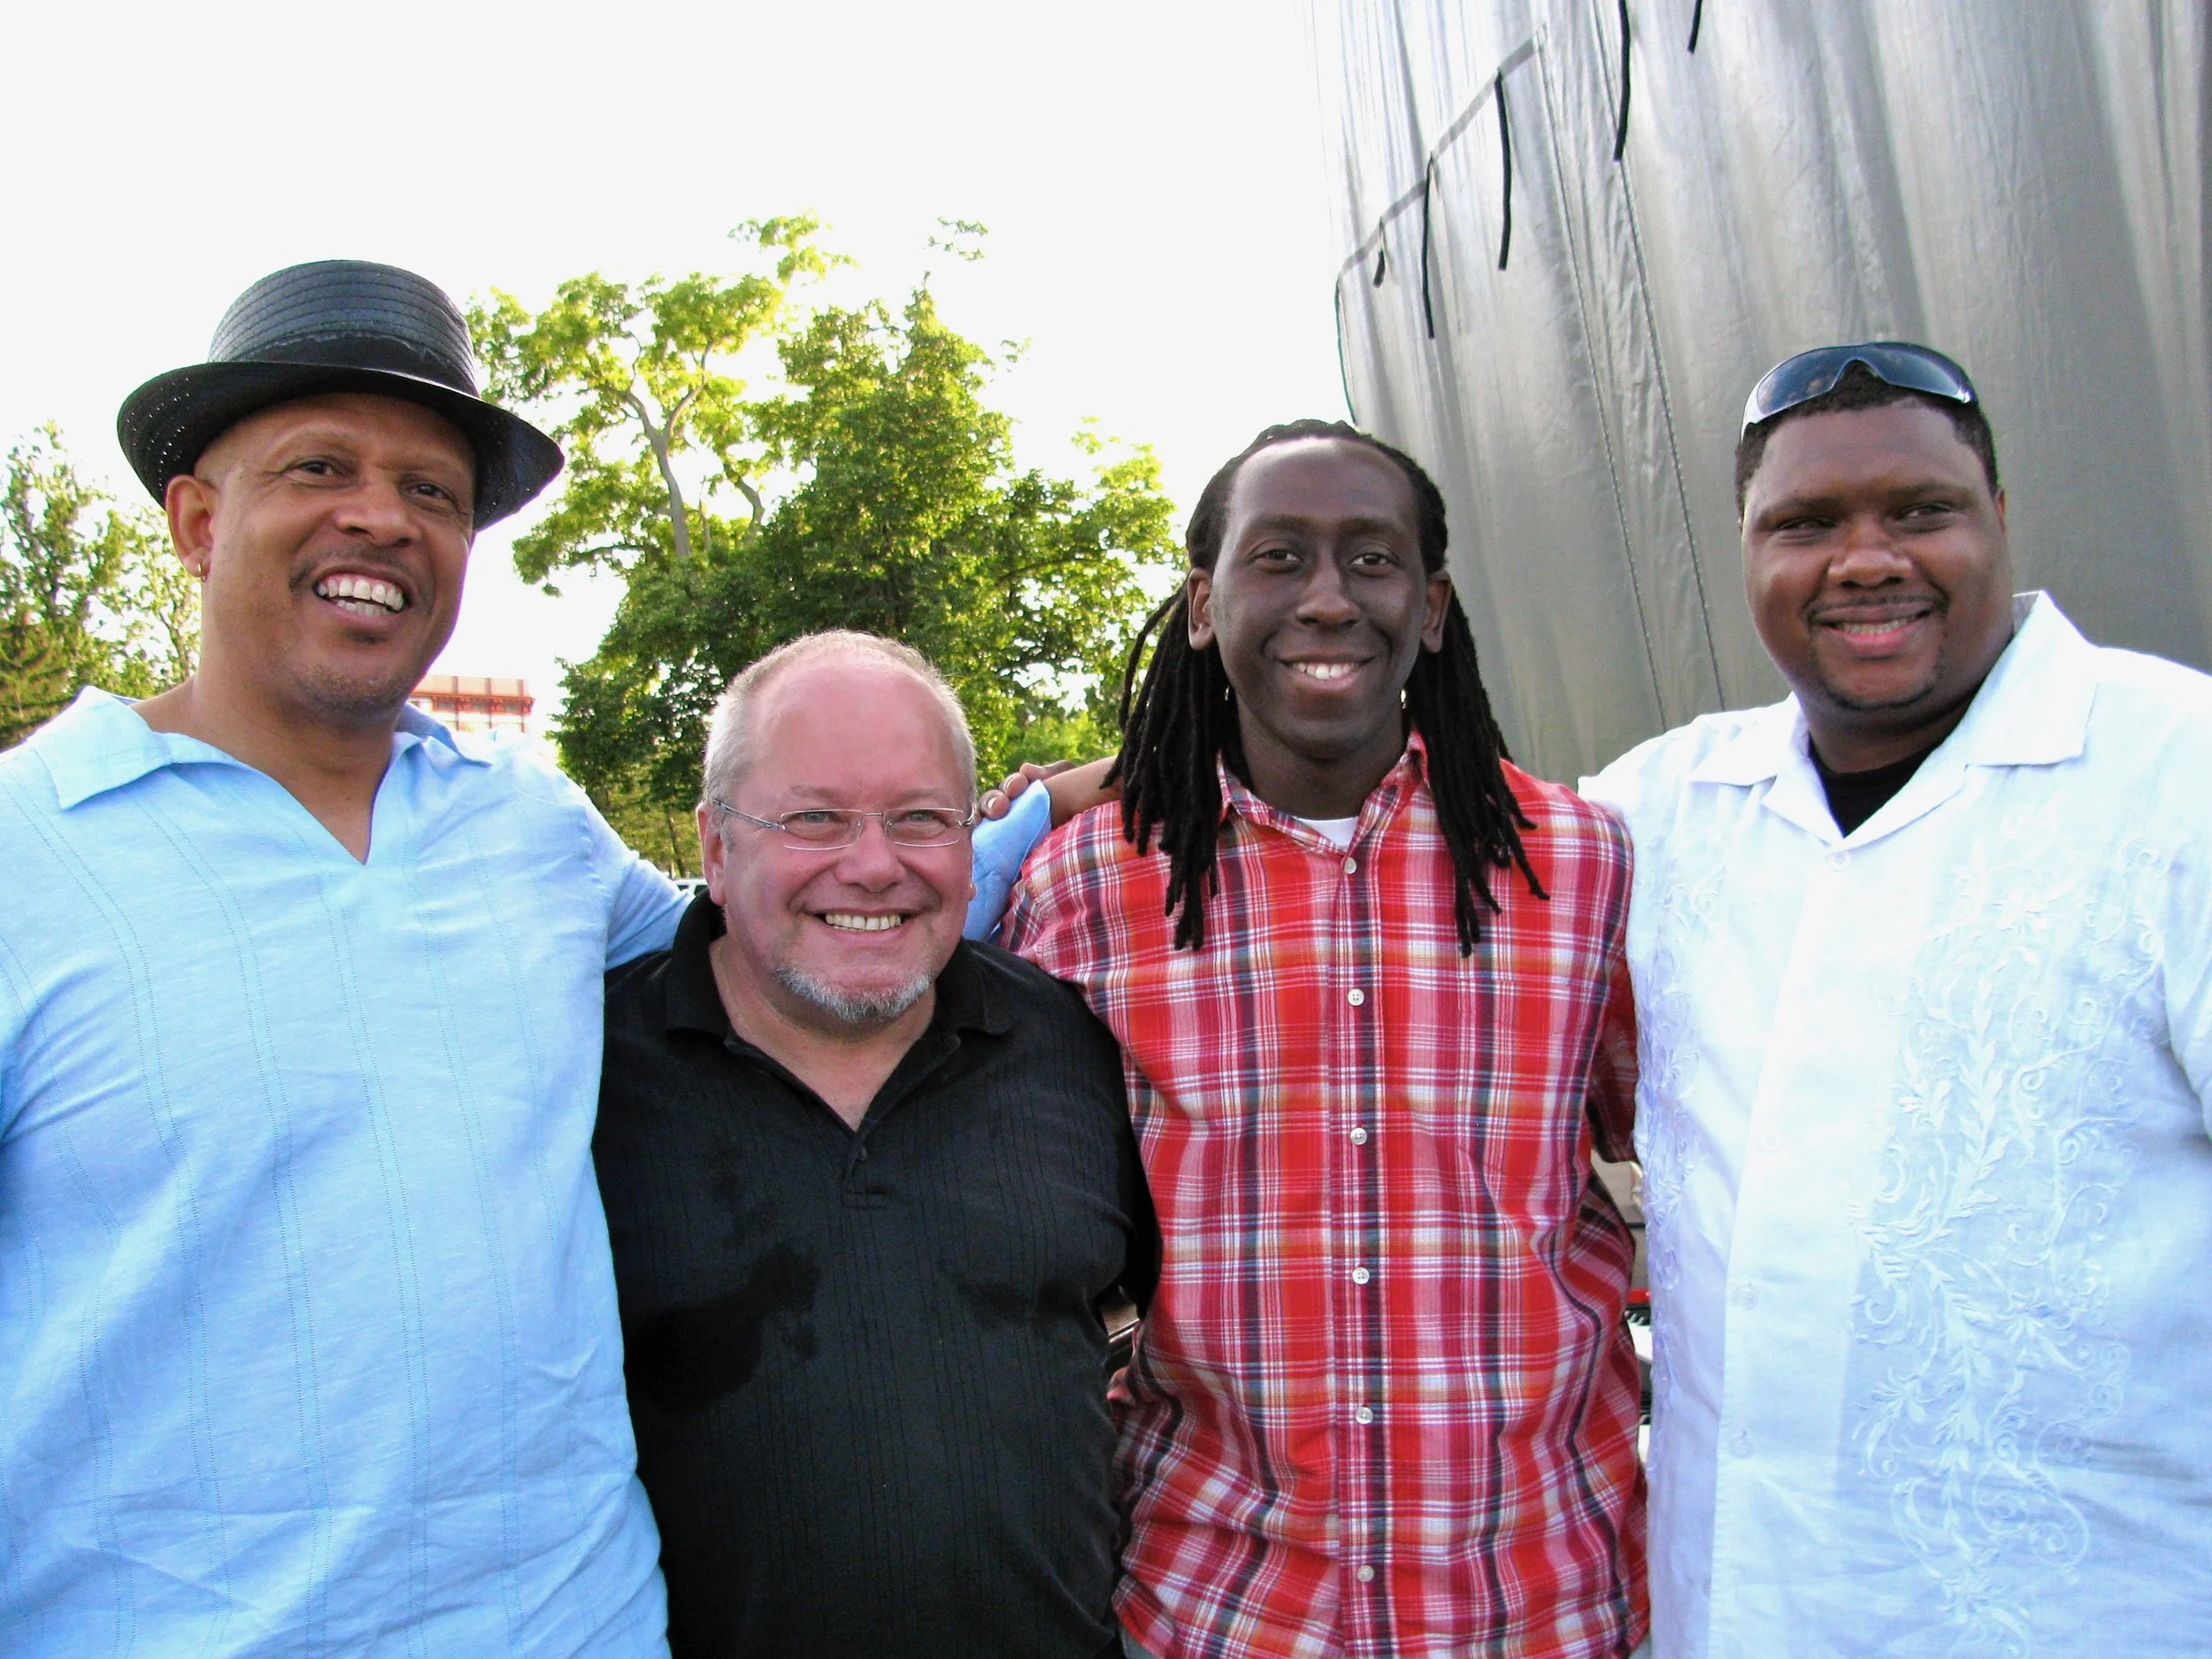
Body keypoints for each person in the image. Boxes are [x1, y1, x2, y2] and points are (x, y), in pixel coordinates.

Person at [0, 262, 684, 1652]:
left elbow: (809, 923)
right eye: (320, 464)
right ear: (197, 519)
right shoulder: (26, 852)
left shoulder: (537, 832)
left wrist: (1052, 805)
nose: (382, 514)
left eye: (433, 489)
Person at [1581, 343, 2212, 1655]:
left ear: (1998, 521)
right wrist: (1086, 801)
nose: (1865, 558)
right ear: (1749, 553)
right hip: (1732, 1611)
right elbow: (1391, 865)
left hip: (2100, 1610)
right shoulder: (1657, 813)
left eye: (1919, 510)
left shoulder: (2174, 773)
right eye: (1807, 522)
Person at [979, 421, 1647, 1658]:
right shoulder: (1080, 888)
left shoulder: (1583, 866)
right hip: (1217, 1607)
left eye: (1373, 559)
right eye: (1278, 556)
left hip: (1545, 1604)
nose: (1328, 598)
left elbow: (1675, 1149)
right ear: (1202, 605)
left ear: (1431, 606)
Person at [594, 631, 1156, 1658]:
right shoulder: (581, 1087)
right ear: (716, 847)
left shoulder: (1080, 1051)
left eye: (918, 819)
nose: (872, 864)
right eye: (814, 818)